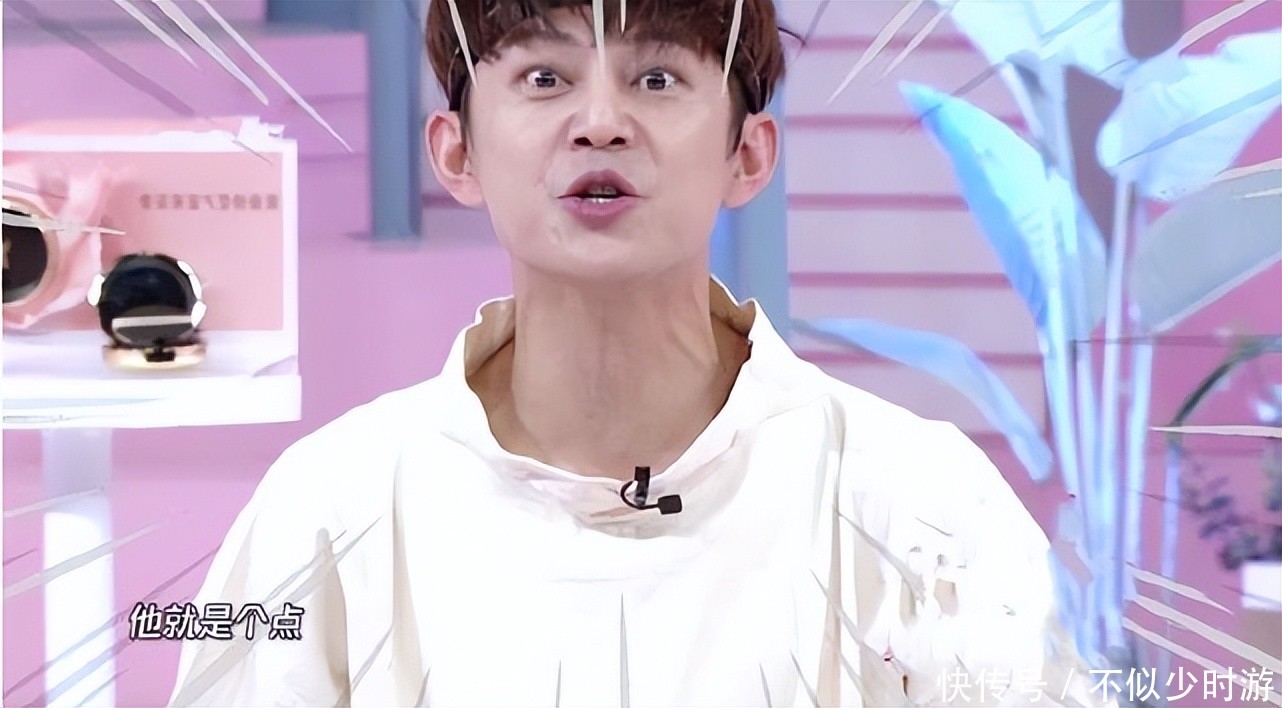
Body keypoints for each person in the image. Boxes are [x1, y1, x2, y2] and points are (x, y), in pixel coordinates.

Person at [169, 1, 1103, 705]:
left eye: (657, 79)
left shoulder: (924, 502)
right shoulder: (324, 509)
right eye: (545, 77)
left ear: (749, 154)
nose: (601, 123)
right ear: (456, 154)